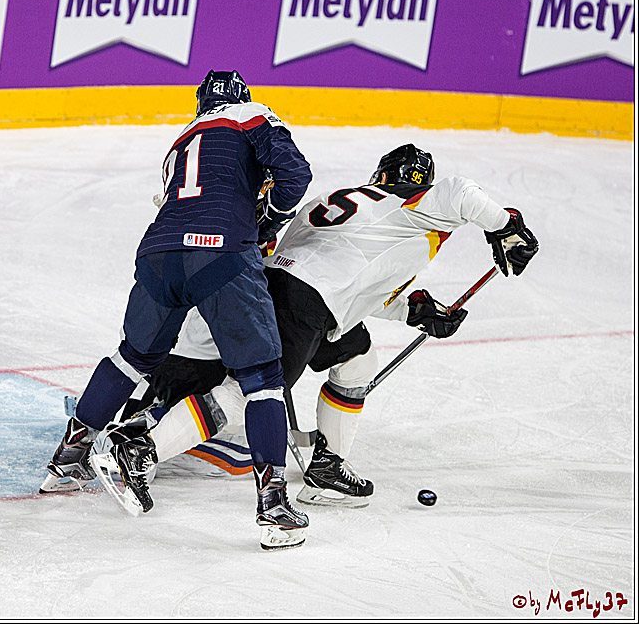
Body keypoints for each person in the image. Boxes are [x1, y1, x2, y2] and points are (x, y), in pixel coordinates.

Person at [97, 143, 539, 512]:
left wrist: (414, 310)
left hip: (279, 291)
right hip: (303, 305)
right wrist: (507, 228)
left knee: (359, 355)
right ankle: (142, 451)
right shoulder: (416, 203)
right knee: (251, 392)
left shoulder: (343, 205)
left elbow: (350, 284)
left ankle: (327, 468)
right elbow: (462, 192)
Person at [40, 70, 314, 550]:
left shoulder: (180, 141)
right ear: (244, 98)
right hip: (222, 254)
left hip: (159, 253)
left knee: (132, 358)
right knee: (263, 380)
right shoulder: (252, 115)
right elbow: (295, 176)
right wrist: (269, 219)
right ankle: (274, 507)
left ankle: (69, 458)